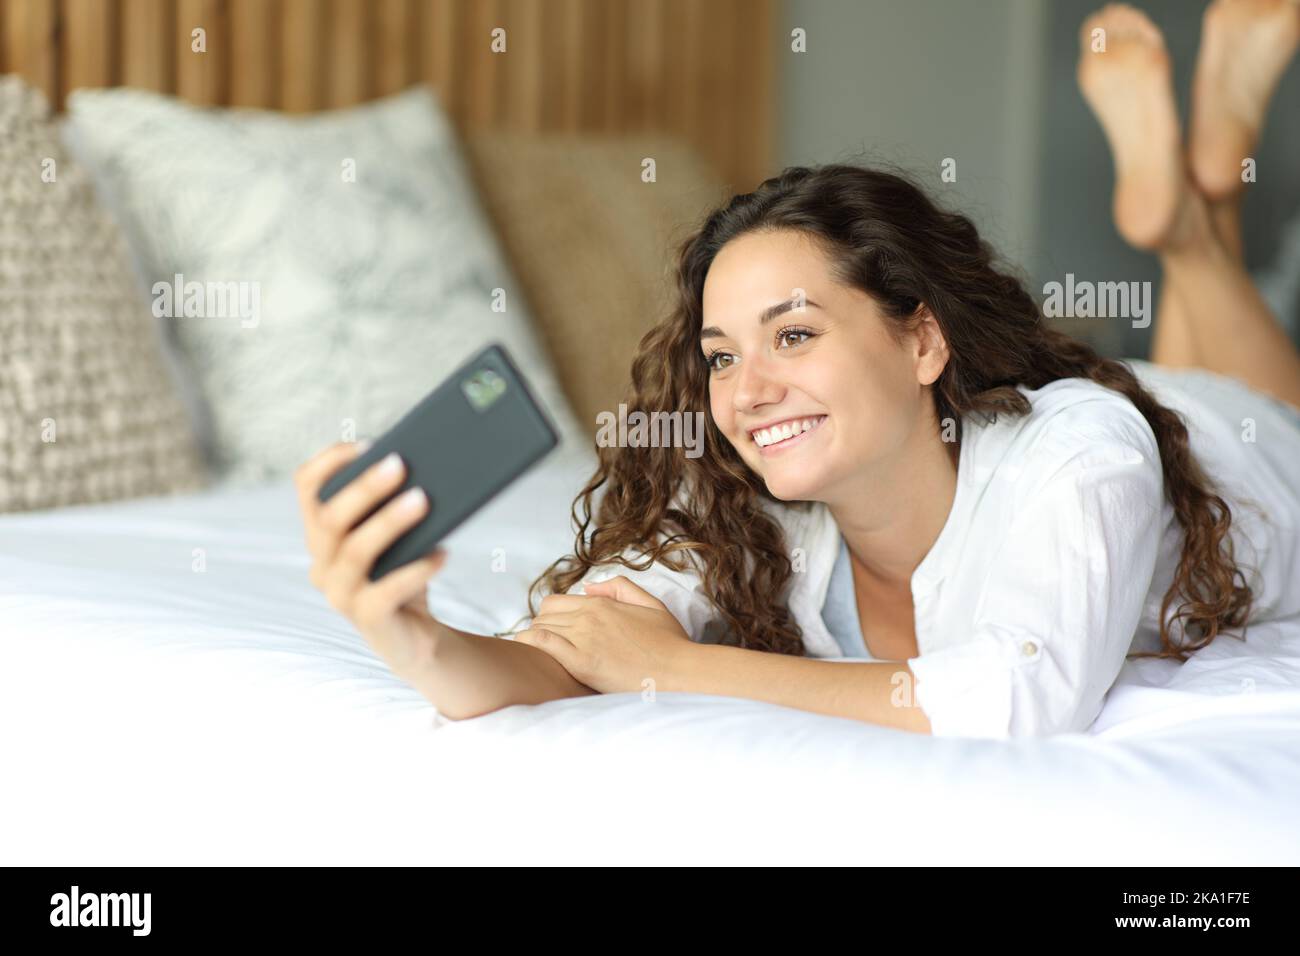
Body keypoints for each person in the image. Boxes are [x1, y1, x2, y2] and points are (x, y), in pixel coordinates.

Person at [293, 0, 1300, 738]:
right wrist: (404, 629)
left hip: (1228, 443)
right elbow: (563, 662)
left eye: (795, 334)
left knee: (1265, 399)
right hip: (1141, 409)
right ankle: (1196, 197)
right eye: (722, 354)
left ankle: (1191, 224)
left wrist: (685, 667)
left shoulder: (1080, 453)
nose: (745, 391)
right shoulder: (755, 494)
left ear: (919, 339)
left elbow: (1015, 696)